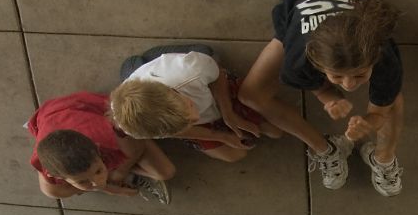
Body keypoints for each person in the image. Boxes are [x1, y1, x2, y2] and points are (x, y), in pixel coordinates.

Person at [239, 0, 406, 196]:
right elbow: (317, 87)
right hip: (296, 15)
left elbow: (380, 112)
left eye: (359, 75)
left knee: (393, 97)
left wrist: (369, 123)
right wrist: (331, 99)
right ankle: (327, 149)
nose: (349, 85)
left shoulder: (384, 57)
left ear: (375, 58)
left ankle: (383, 157)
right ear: (316, 63)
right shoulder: (297, 61)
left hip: (360, 17)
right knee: (249, 95)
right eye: (337, 77)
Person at [109, 44, 283, 164]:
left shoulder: (191, 72)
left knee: (274, 131)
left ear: (173, 91)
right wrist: (221, 136)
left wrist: (229, 115)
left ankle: (138, 63)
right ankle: (133, 68)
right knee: (235, 155)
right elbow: (175, 132)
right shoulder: (139, 126)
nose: (196, 117)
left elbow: (219, 75)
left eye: (189, 107)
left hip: (194, 70)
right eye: (188, 122)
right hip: (147, 81)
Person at [28, 91, 175, 204]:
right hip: (56, 121)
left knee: (166, 172)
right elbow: (51, 187)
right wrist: (107, 188)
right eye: (83, 181)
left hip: (87, 109)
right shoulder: (49, 168)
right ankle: (119, 172)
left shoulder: (109, 136)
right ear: (58, 176)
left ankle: (122, 172)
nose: (96, 181)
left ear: (98, 150)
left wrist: (120, 172)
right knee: (53, 191)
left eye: (98, 171)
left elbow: (137, 146)